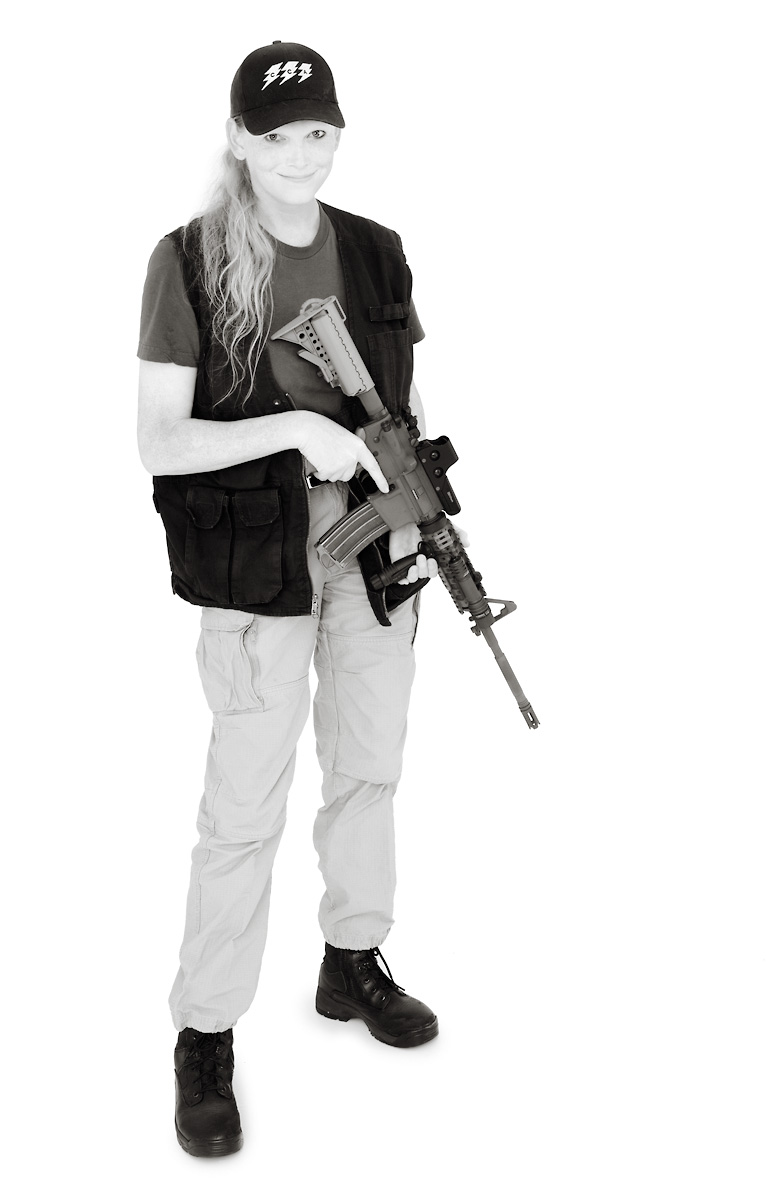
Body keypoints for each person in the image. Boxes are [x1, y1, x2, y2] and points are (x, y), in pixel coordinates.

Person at [137, 41, 440, 1158]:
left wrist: (416, 507)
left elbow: (407, 398)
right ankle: (205, 1033)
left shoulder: (375, 251)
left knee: (369, 766)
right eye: (278, 136)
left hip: (374, 545)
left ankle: (351, 961)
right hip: (256, 553)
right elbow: (159, 442)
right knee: (243, 809)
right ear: (238, 141)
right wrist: (299, 428)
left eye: (320, 132)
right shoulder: (187, 260)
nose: (303, 154)